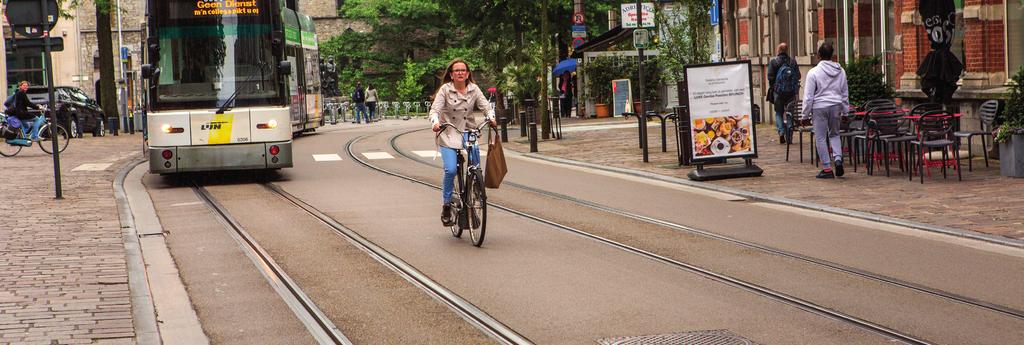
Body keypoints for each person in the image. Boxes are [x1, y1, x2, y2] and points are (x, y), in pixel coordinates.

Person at [430, 59, 496, 226]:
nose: (460, 73)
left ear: (467, 74)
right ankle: (446, 204)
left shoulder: (474, 89)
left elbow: (486, 106)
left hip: (468, 130)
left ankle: (475, 184)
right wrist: (435, 123)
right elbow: (435, 110)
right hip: (449, 132)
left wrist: (491, 117)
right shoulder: (445, 90)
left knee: (475, 160)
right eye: (456, 70)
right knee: (451, 169)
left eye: (463, 70)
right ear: (451, 75)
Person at [802, 42, 850, 179]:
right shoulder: (841, 71)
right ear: (832, 55)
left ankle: (827, 168)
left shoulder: (813, 72)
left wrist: (804, 115)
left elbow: (808, 96)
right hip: (836, 105)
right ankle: (838, 159)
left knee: (821, 137)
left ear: (818, 56)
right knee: (834, 134)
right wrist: (846, 112)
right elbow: (844, 92)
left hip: (820, 107)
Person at [766, 43, 800, 144]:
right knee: (790, 113)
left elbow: (770, 77)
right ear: (786, 50)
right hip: (791, 92)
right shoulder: (792, 62)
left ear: (778, 50)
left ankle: (781, 132)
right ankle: (789, 136)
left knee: (779, 112)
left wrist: (775, 87)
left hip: (778, 92)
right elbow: (798, 75)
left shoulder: (774, 62)